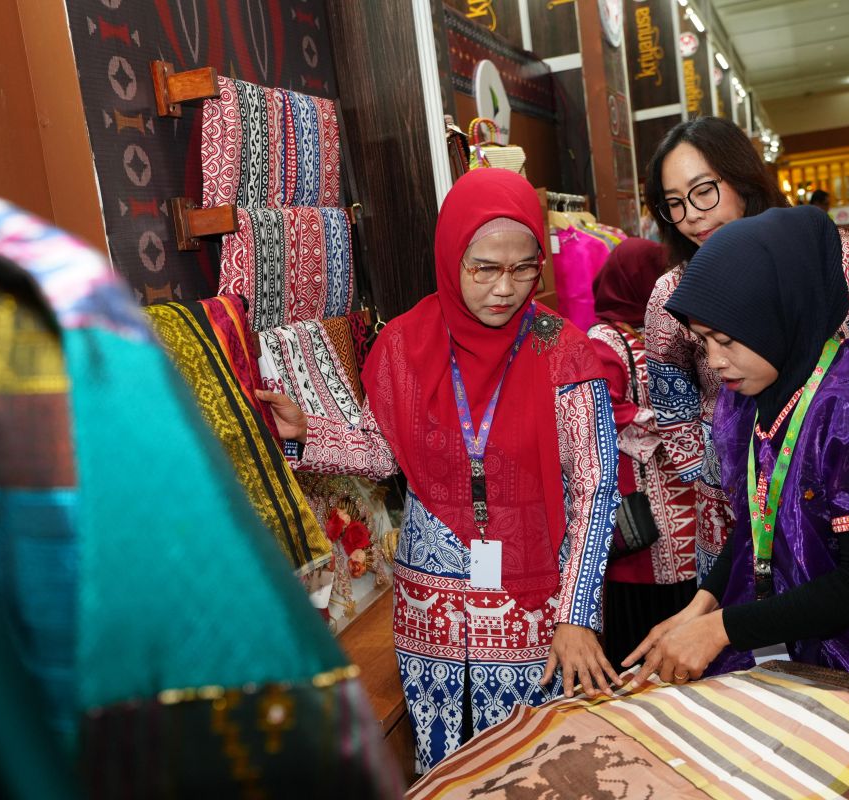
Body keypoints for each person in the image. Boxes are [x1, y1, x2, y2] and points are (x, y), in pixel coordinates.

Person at [257, 168, 621, 774]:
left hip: (534, 609)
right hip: (431, 613)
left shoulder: (564, 352)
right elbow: (384, 454)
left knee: (539, 769)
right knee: (445, 768)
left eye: (523, 267)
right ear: (451, 257)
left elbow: (595, 488)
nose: (504, 288)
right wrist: (307, 433)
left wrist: (577, 615)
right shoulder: (402, 345)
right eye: (484, 267)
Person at [623, 204, 849, 767]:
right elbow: (758, 522)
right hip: (793, 633)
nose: (714, 360)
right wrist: (700, 605)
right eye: (702, 341)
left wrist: (724, 627)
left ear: (781, 315)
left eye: (726, 338)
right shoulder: (753, 395)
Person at [642, 116, 849, 587]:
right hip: (737, 510)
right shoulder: (671, 293)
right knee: (739, 635)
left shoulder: (833, 256)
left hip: (840, 486)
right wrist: (724, 475)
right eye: (674, 203)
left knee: (843, 617)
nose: (692, 215)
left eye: (703, 191)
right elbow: (671, 405)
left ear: (741, 178)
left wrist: (845, 462)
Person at [586, 238, 697, 664]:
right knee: (645, 640)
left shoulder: (663, 327)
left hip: (684, 507)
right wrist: (668, 426)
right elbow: (598, 408)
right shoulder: (605, 341)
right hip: (645, 523)